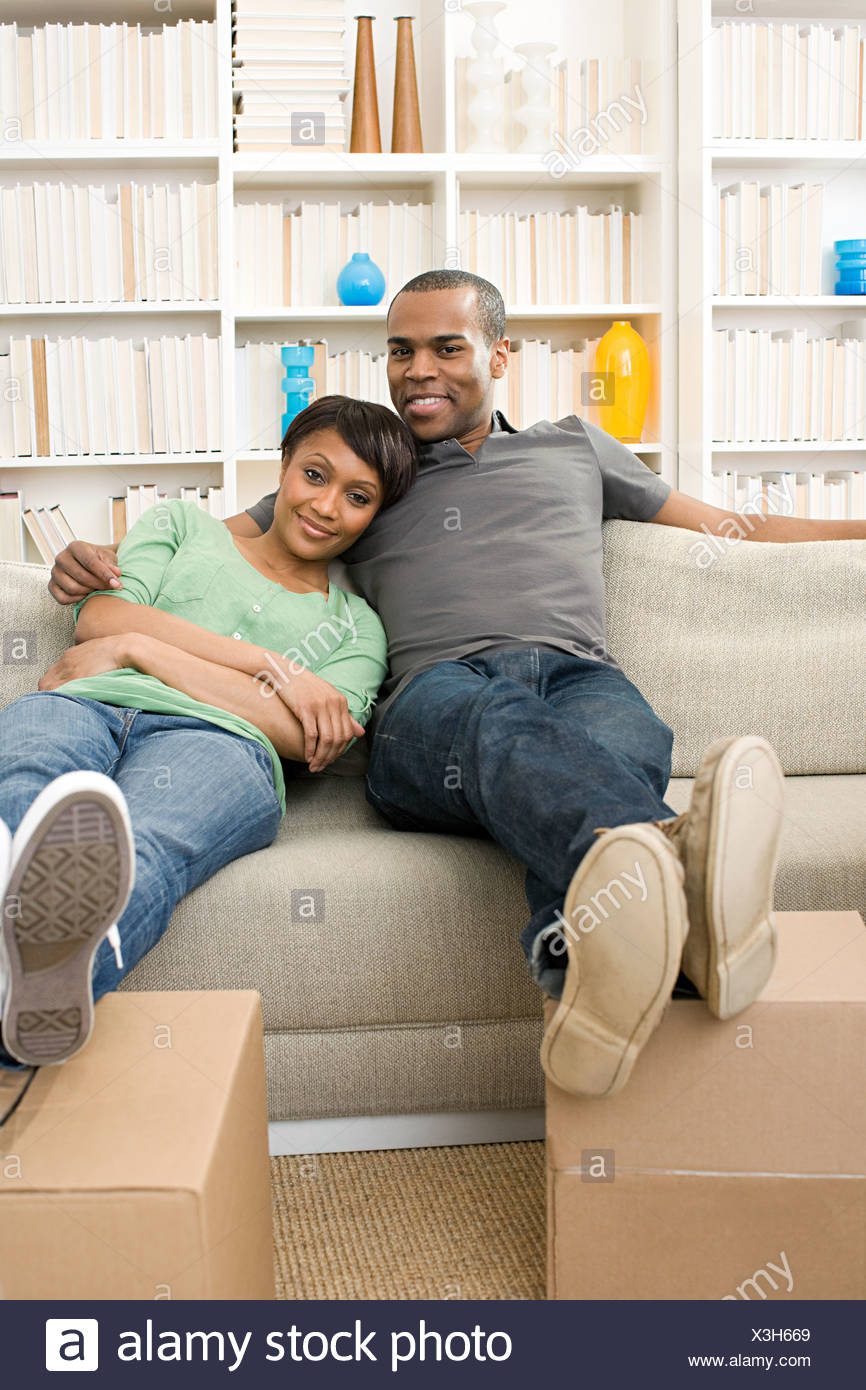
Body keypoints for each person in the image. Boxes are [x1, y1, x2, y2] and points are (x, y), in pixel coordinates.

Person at [44, 271, 866, 1100]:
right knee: (498, 719)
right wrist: (94, 559)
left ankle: (589, 973)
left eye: (447, 347)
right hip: (432, 706)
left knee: (622, 742)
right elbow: (225, 549)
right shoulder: (375, 476)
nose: (418, 369)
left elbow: (733, 527)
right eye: (401, 350)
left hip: (578, 679)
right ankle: (677, 857)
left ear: (500, 355)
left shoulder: (573, 445)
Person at [0, 396, 416, 1078]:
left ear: (376, 514)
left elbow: (297, 736)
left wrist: (145, 646)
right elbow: (100, 618)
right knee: (24, 783)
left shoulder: (357, 628)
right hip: (87, 699)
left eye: (358, 496)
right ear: (282, 467)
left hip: (221, 743)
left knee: (138, 850)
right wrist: (267, 667)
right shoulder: (180, 525)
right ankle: (13, 967)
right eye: (315, 474)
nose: (327, 506)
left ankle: (32, 1000)